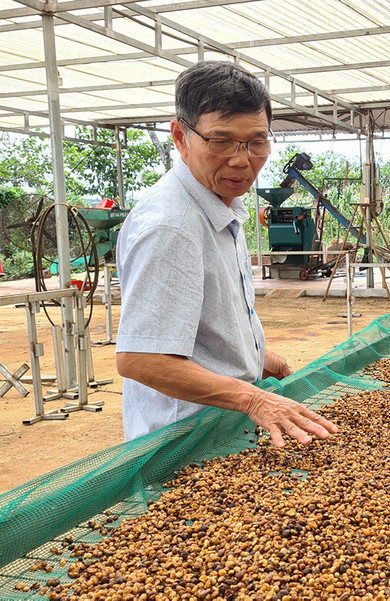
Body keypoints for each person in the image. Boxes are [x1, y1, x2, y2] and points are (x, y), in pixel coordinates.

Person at [116, 61, 336, 447]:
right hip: (185, 441)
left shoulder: (221, 202)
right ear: (180, 137)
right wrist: (253, 399)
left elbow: (205, 324)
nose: (241, 160)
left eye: (256, 142)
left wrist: (256, 356)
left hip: (221, 426)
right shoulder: (171, 226)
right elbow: (142, 358)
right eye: (221, 141)